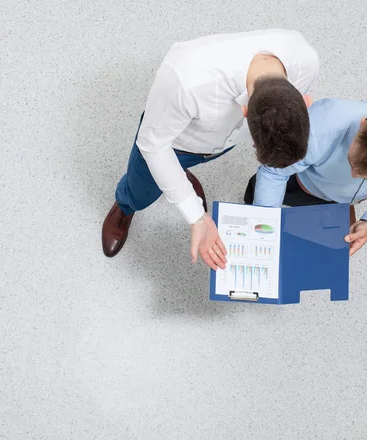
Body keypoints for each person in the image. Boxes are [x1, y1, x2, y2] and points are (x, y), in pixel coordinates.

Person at [102, 29, 319, 270]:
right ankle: (125, 204)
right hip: (174, 143)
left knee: (175, 172)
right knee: (141, 190)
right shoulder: (185, 79)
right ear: (244, 111)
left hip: (219, 143)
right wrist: (196, 217)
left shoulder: (306, 63)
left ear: (306, 100)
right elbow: (152, 144)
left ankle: (179, 174)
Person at [244, 98, 367, 256]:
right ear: (362, 124)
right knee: (259, 192)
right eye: (351, 163)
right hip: (304, 181)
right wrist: (265, 219)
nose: (353, 176)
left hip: (346, 201)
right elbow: (274, 172)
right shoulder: (319, 128)